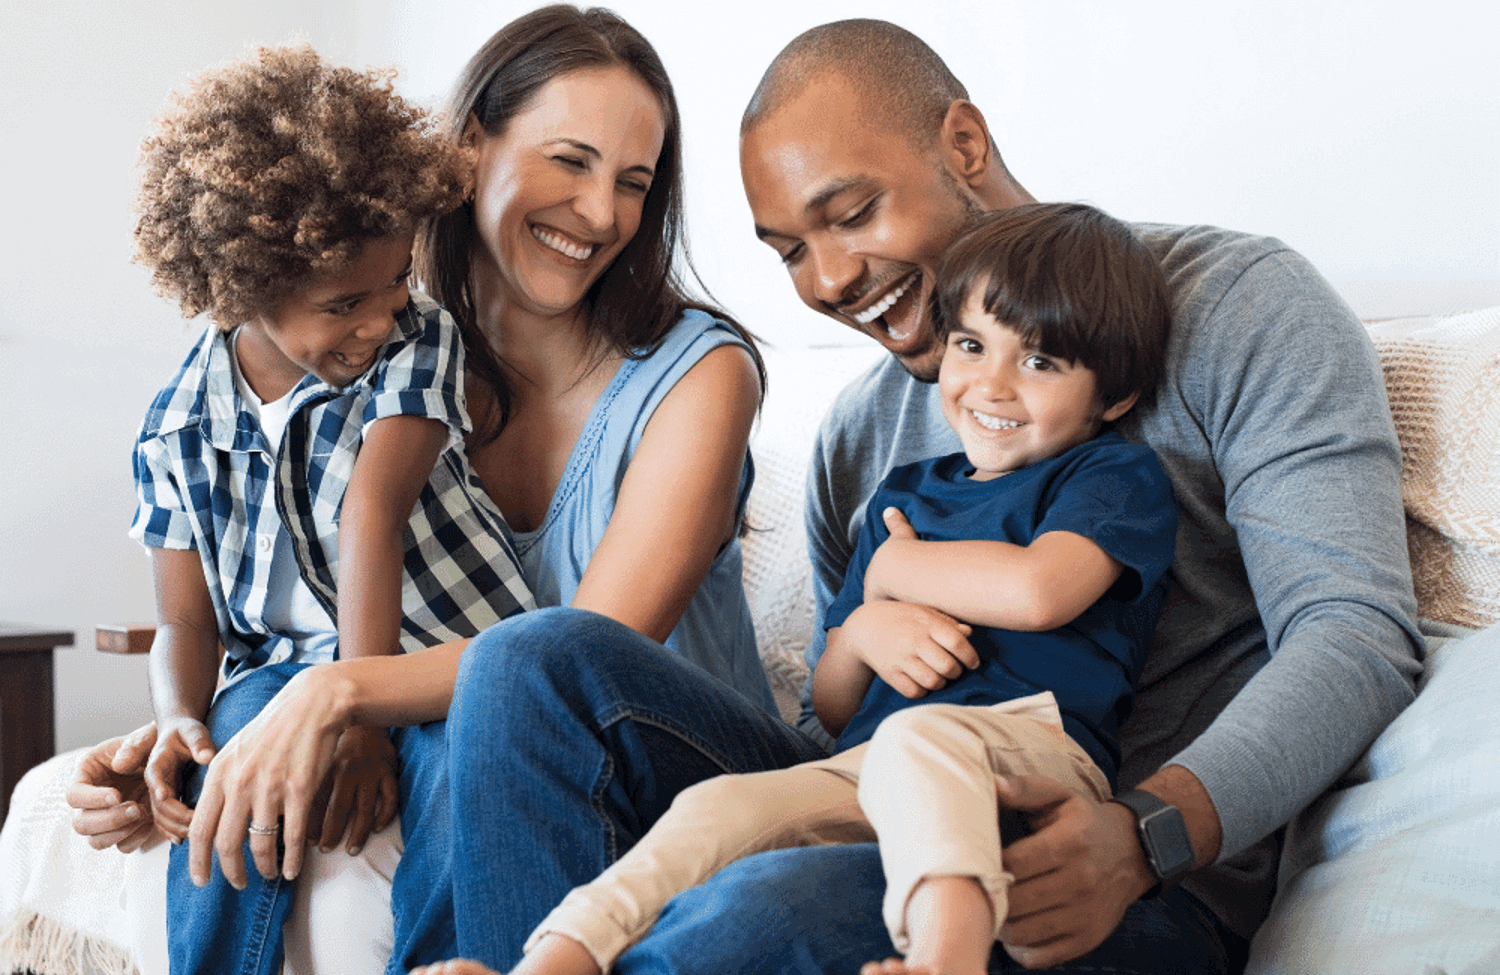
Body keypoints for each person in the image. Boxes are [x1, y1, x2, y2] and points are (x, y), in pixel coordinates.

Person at [416, 16, 1423, 975]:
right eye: (789, 252)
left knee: (756, 910)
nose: (829, 280)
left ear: (966, 144)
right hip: (884, 801)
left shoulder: (1233, 304)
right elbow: (834, 715)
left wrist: (1145, 834)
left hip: (1106, 867)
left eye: (852, 214)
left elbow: (1353, 632)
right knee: (530, 661)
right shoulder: (860, 437)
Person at [65, 6, 794, 974]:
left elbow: (570, 662)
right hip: (496, 741)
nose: (604, 214)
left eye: (634, 181)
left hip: (681, 764)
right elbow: (280, 605)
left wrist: (340, 696)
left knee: (513, 680)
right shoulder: (369, 353)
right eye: (569, 161)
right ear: (467, 148)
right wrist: (186, 735)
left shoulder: (700, 376)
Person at [423, 202, 1179, 975]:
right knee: (716, 809)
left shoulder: (1109, 475)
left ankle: (946, 957)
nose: (992, 384)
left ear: (1112, 398)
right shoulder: (905, 495)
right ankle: (546, 962)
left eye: (1041, 362)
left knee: (926, 738)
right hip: (874, 764)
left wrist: (893, 573)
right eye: (971, 345)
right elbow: (835, 701)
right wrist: (861, 636)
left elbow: (1041, 592)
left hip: (1030, 759)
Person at [126, 44, 535, 975]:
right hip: (285, 672)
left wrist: (358, 716)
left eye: (396, 282)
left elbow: (372, 513)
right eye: (345, 301)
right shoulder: (174, 428)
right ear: (244, 289)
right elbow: (183, 616)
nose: (381, 317)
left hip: (444, 658)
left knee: (459, 774)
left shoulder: (415, 343)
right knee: (231, 749)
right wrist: (177, 718)